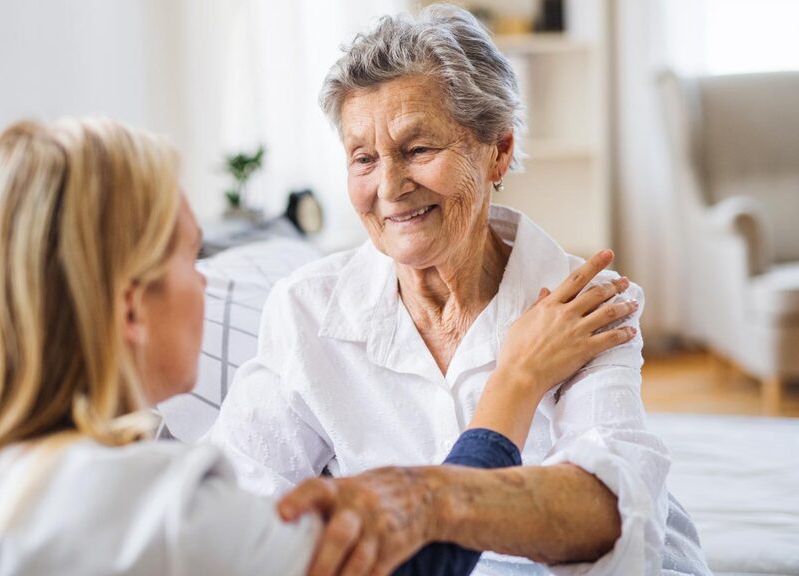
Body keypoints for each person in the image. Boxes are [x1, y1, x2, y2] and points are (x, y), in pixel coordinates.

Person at [0, 118, 639, 575]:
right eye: (191, 259)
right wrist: (511, 390)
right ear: (127, 309)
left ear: (498, 154)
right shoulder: (158, 508)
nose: (211, 283)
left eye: (418, 149)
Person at [207, 5, 711, 575]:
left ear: (497, 150)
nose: (391, 188)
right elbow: (237, 505)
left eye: (419, 150)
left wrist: (422, 502)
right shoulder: (306, 310)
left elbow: (607, 515)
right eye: (364, 159)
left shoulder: (581, 303)